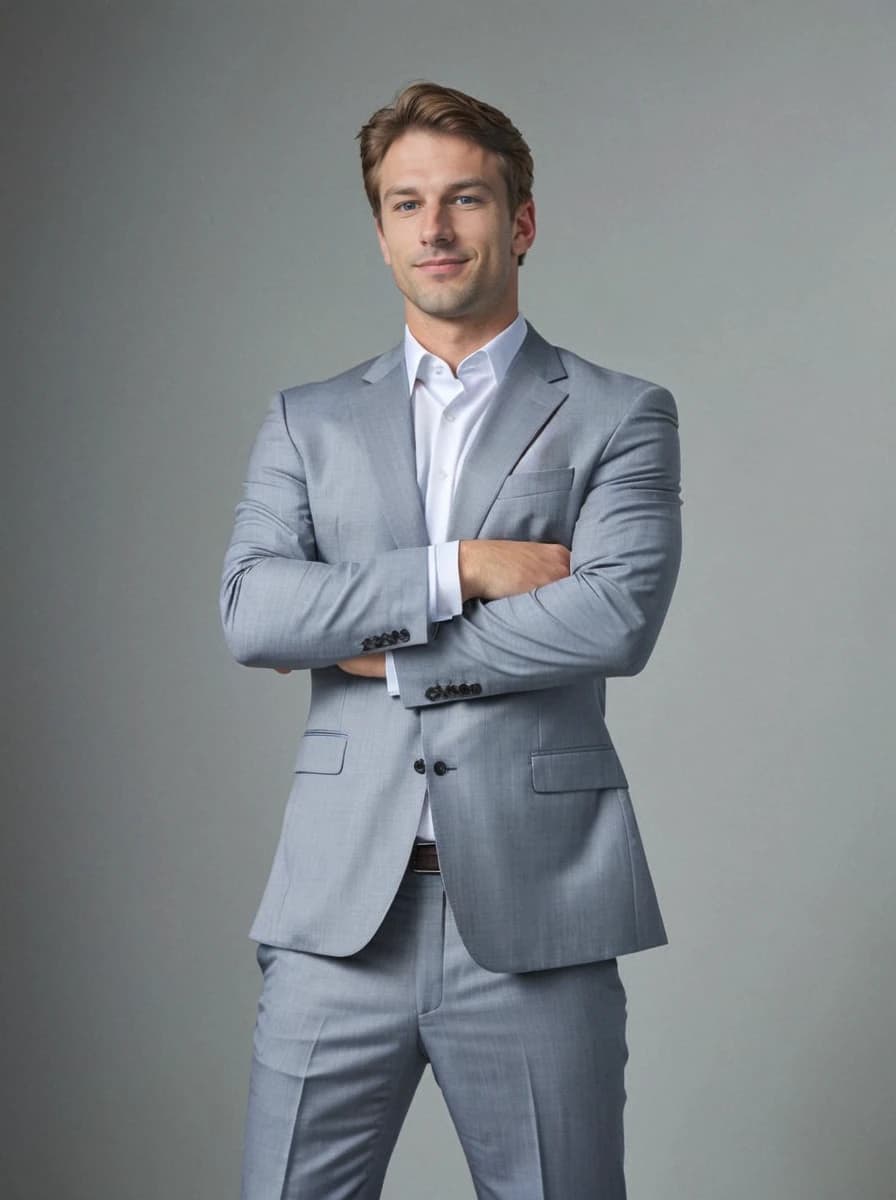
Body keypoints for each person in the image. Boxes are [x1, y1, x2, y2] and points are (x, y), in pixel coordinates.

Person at [220, 79, 683, 1200]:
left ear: (518, 221)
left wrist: (381, 650)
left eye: (464, 199)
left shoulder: (617, 413)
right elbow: (254, 613)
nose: (433, 228)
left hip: (539, 914)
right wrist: (457, 570)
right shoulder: (305, 419)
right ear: (379, 233)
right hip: (338, 917)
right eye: (404, 203)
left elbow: (611, 617)